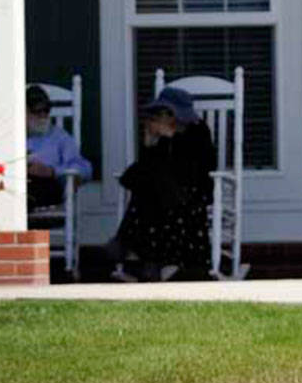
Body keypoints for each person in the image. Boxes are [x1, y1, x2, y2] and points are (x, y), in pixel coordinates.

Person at [101, 86, 217, 282]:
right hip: (165, 195)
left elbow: (193, 169)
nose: (160, 118)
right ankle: (152, 263)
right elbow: (145, 169)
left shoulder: (199, 131)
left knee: (152, 188)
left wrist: (172, 138)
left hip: (193, 192)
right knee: (151, 185)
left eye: (164, 113)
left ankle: (129, 244)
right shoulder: (162, 137)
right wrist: (150, 144)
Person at [24, 84, 92, 213]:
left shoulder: (59, 137)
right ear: (24, 112)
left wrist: (51, 171)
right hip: (19, 186)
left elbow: (84, 168)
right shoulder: (12, 138)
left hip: (46, 186)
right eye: (36, 111)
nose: (43, 116)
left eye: (46, 110)